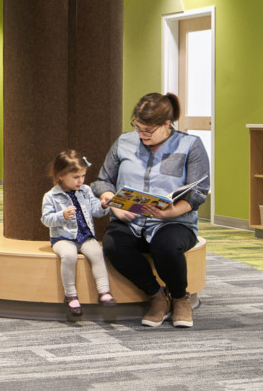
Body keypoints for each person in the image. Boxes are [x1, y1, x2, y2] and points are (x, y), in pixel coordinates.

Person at [93, 92, 209, 329]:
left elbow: (198, 192)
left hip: (175, 222)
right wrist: (112, 202)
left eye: (148, 130)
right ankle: (156, 296)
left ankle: (179, 297)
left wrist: (170, 213)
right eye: (138, 128)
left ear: (167, 124)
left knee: (165, 246)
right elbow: (103, 181)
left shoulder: (190, 145)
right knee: (113, 245)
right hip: (130, 220)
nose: (142, 135)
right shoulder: (123, 142)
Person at [42, 150, 115, 320]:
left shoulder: (86, 191)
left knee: (97, 253)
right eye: (76, 177)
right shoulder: (51, 196)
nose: (80, 180)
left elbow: (95, 210)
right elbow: (46, 219)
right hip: (62, 237)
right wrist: (62, 216)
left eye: (83, 176)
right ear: (61, 176)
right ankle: (71, 296)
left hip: (85, 235)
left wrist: (104, 206)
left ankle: (104, 292)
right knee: (69, 256)